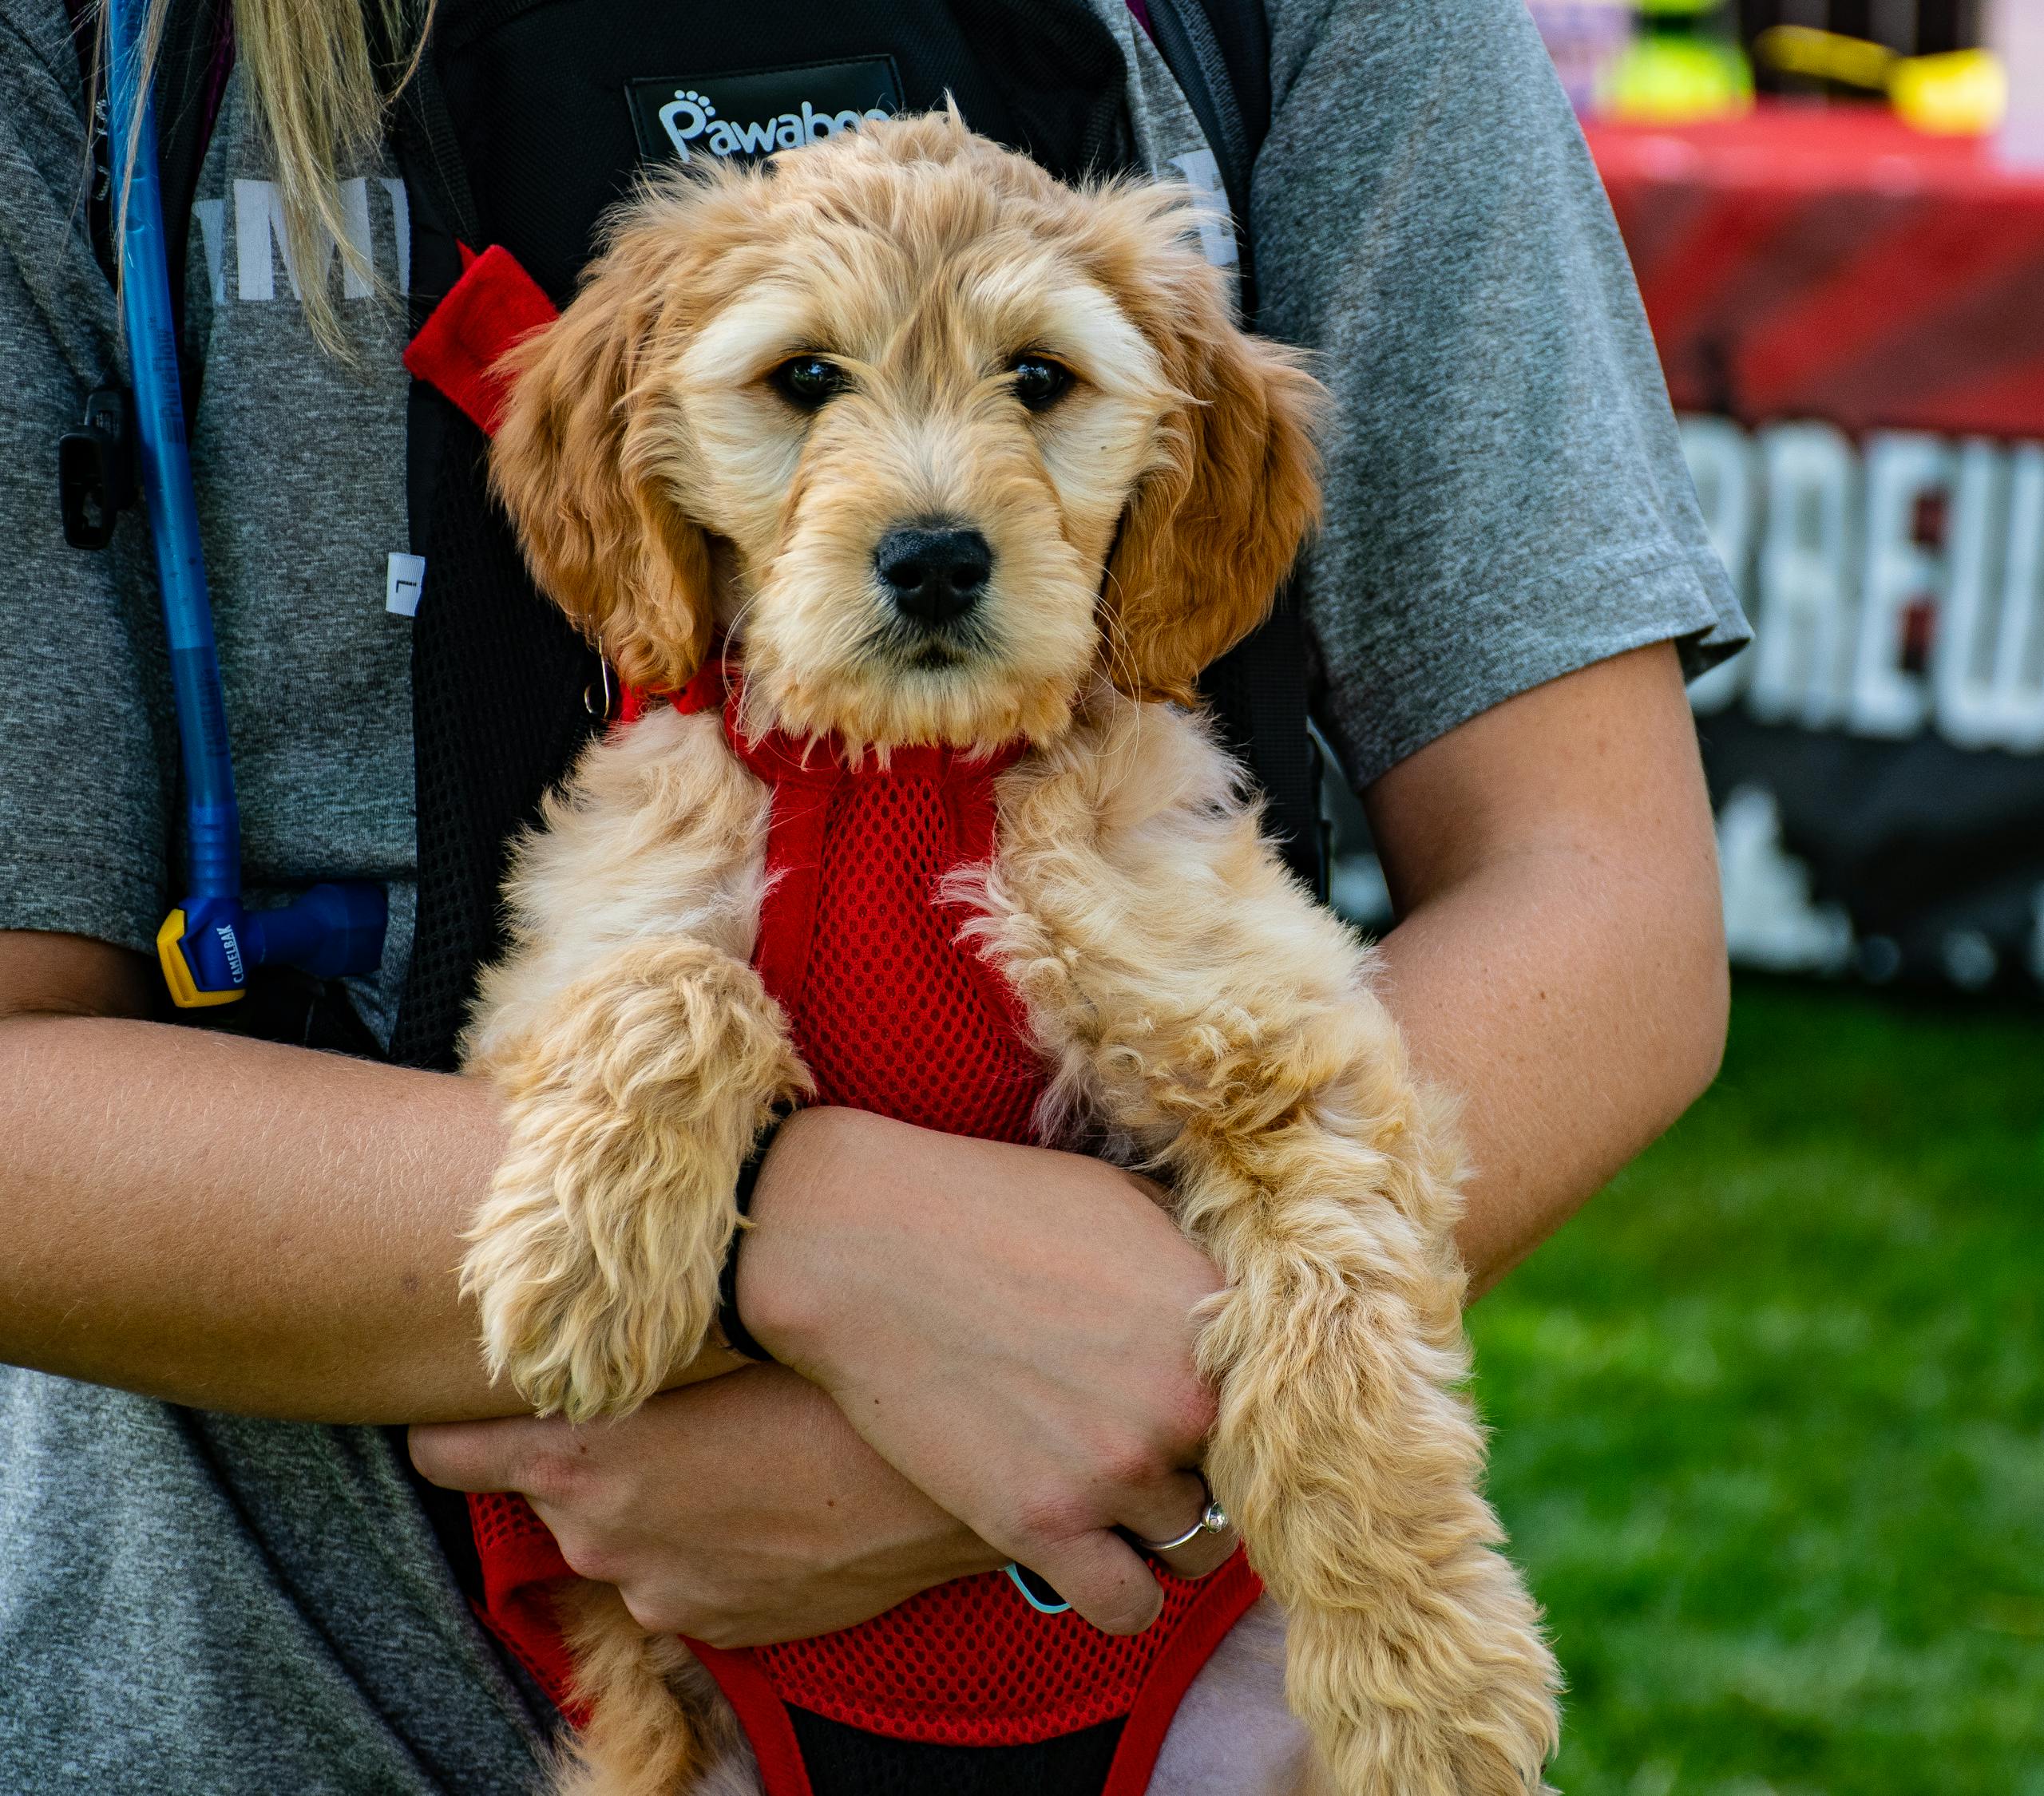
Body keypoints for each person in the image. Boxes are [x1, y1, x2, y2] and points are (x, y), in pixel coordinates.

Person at [0, 0, 1741, 1788]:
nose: (929, 505)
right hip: (268, 1701)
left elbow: (1597, 893)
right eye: (802, 384)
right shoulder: (92, 50)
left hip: (1201, 1664)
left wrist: (1112, 1411)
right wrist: (797, 1248)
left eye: (1040, 387)